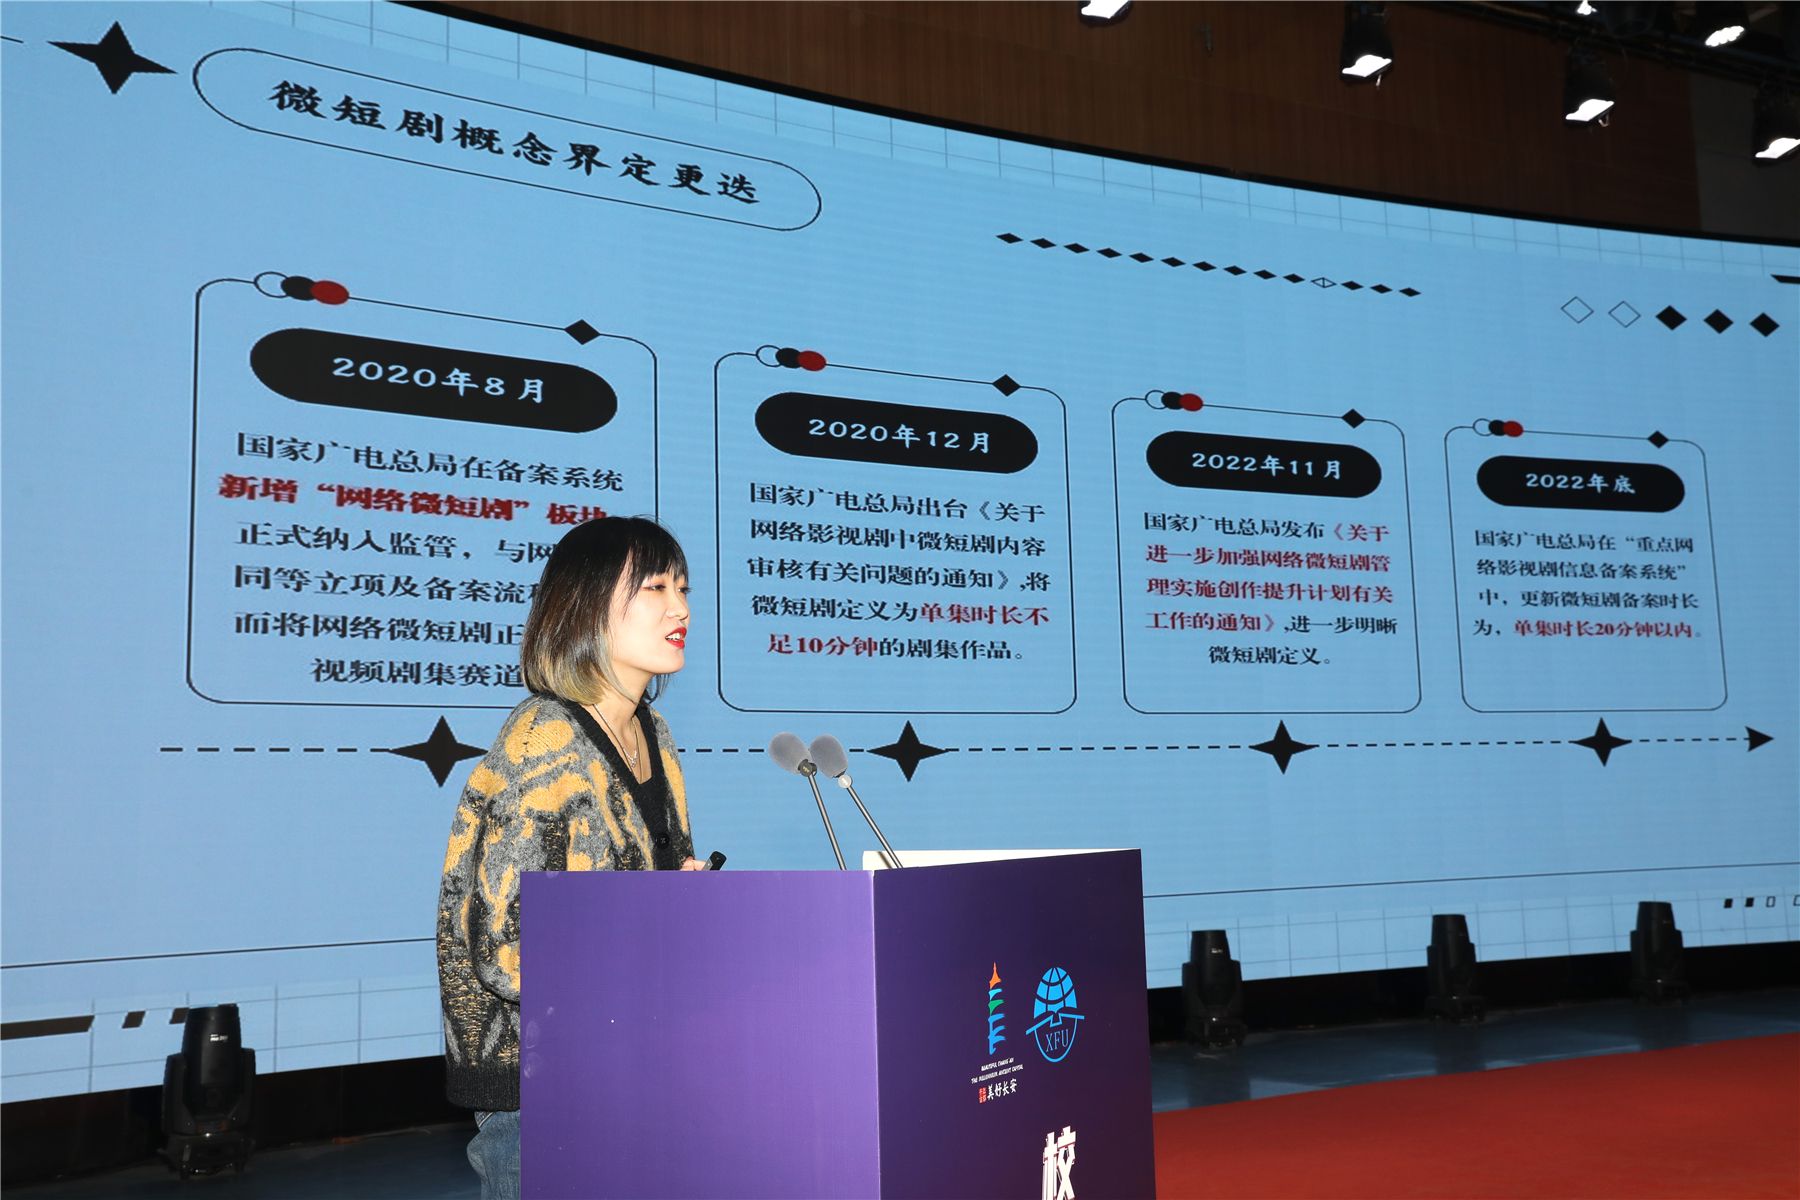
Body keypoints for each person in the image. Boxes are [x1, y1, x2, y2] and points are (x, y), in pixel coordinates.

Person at [435, 516, 702, 1200]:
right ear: (585, 605)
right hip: (544, 1075)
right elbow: (505, 950)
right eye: (655, 588)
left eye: (683, 588)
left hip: (631, 1054)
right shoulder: (544, 735)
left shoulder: (653, 730)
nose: (680, 608)